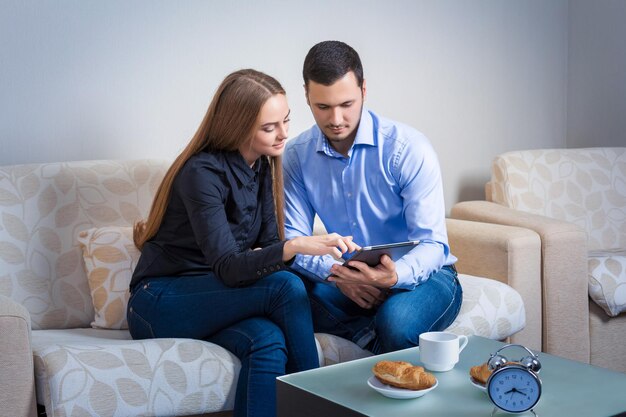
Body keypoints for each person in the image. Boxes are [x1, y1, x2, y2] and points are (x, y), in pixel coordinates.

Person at [128, 69, 358, 417]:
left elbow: (266, 247)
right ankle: (320, 404)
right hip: (159, 303)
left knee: (267, 341)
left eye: (286, 121)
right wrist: (294, 246)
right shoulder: (201, 173)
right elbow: (230, 268)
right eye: (270, 127)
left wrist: (333, 266)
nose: (284, 134)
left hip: (215, 298)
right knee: (284, 286)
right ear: (238, 126)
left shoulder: (261, 167)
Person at [283, 40, 462, 355]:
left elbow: (433, 245)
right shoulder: (297, 156)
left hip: (423, 276)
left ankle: (376, 334)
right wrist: (338, 275)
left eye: (347, 104)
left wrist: (394, 277)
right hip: (348, 275)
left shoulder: (408, 149)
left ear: (364, 90)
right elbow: (294, 241)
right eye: (323, 107)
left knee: (397, 321)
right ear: (307, 96)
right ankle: (373, 340)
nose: (336, 119)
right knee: (282, 292)